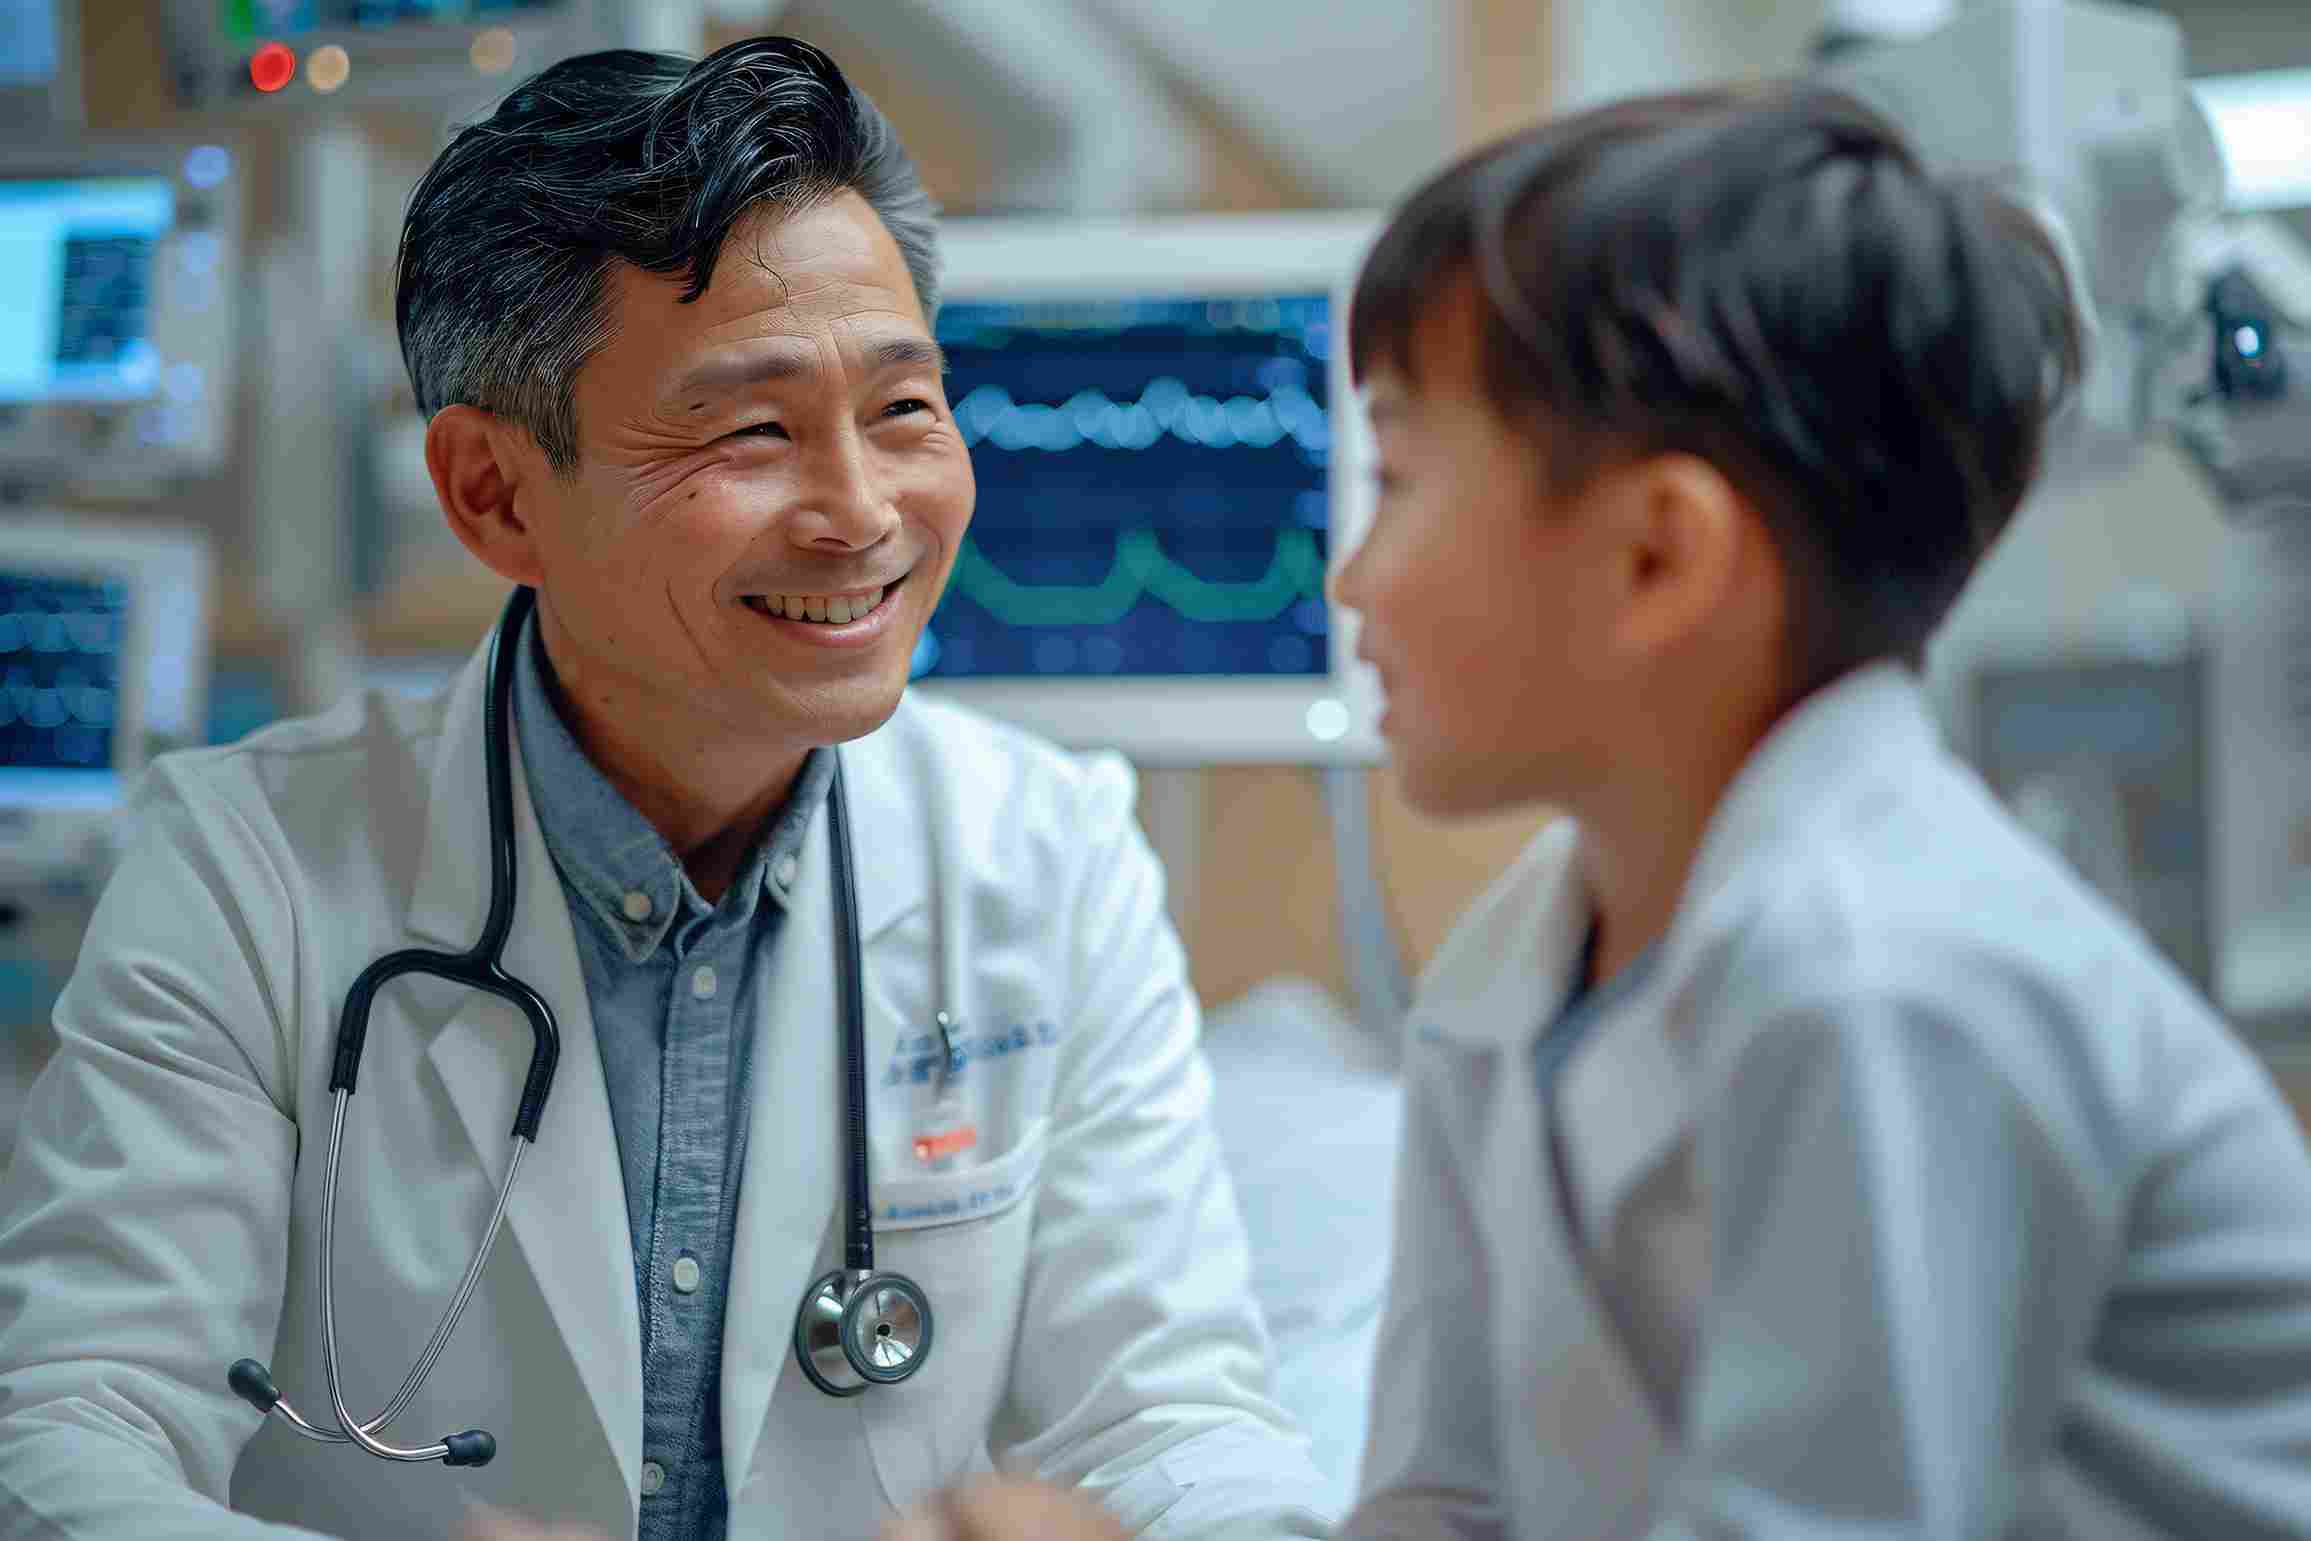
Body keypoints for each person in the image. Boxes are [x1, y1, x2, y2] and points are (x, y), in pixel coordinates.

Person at [892, 83, 2311, 1540]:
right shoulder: (1508, 979)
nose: (1349, 579)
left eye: (1396, 480)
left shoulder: (1887, 976)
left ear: (1656, 559)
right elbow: (1443, 1511)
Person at [0, 38, 1330, 1541]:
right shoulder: (247, 866)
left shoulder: (1050, 856)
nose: (861, 512)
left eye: (904, 408)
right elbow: (65, 1438)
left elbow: (1181, 1422)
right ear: (495, 495)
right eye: (752, 430)